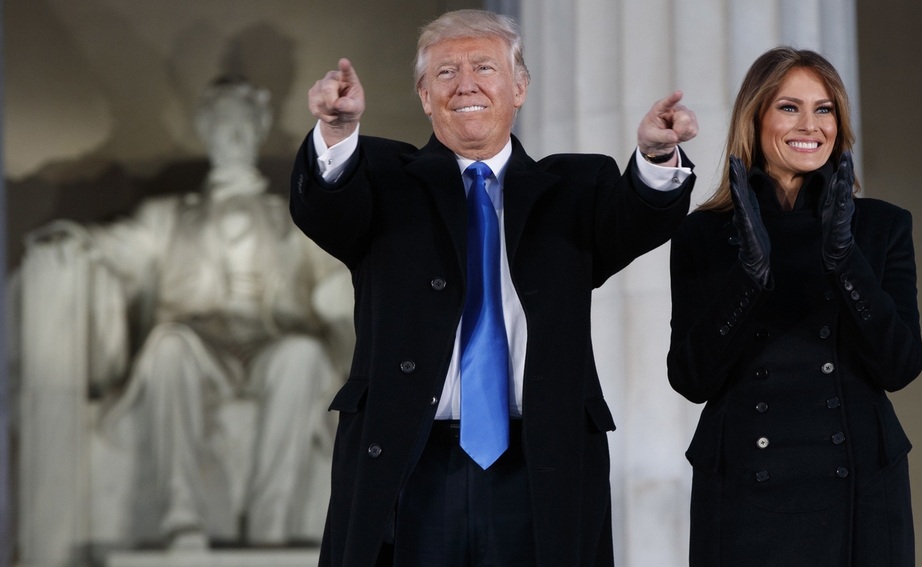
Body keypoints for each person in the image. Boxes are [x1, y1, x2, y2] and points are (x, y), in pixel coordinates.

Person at [290, 9, 697, 567]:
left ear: (520, 87)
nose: (466, 85)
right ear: (425, 95)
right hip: (414, 462)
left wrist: (654, 156)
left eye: (484, 67)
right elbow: (328, 208)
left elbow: (639, 217)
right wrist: (336, 131)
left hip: (540, 463)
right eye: (446, 73)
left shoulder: (576, 188)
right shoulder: (383, 179)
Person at [22, 76, 352, 550]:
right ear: (207, 133)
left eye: (243, 127)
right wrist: (69, 242)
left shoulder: (295, 217)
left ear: (258, 133)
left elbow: (339, 271)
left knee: (303, 354)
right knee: (169, 345)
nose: (233, 138)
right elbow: (115, 248)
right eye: (223, 126)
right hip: (198, 342)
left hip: (272, 340)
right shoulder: (167, 216)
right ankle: (181, 517)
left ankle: (271, 521)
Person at [667, 46, 922, 566]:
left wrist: (845, 259)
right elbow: (691, 379)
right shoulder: (704, 233)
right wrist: (749, 276)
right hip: (743, 492)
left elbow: (901, 366)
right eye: (789, 107)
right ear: (755, 118)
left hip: (861, 491)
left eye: (824, 108)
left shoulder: (882, 227)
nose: (810, 125)